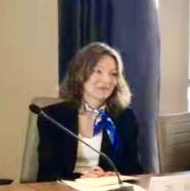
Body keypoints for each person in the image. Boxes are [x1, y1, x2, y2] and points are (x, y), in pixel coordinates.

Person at [37, 42, 144, 182]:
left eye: (113, 74)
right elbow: (46, 175)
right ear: (80, 73)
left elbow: (134, 169)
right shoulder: (52, 117)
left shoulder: (125, 117)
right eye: (98, 71)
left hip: (107, 190)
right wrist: (82, 179)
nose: (107, 80)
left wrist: (114, 175)